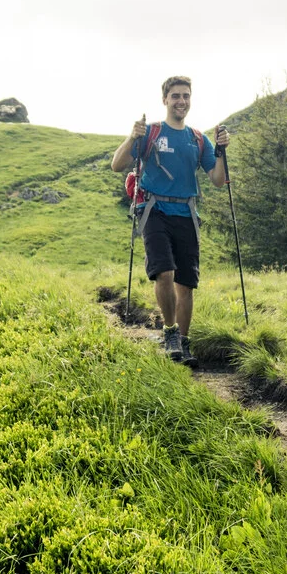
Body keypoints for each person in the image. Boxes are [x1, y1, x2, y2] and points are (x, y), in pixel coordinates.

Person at [110, 76, 230, 368]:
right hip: (154, 211)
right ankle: (170, 332)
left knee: (186, 284)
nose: (181, 101)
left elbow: (217, 180)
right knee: (164, 272)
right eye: (175, 96)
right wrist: (132, 137)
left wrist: (221, 151)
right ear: (165, 100)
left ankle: (184, 343)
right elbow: (117, 165)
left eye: (186, 96)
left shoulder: (198, 139)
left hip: (186, 214)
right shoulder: (150, 132)